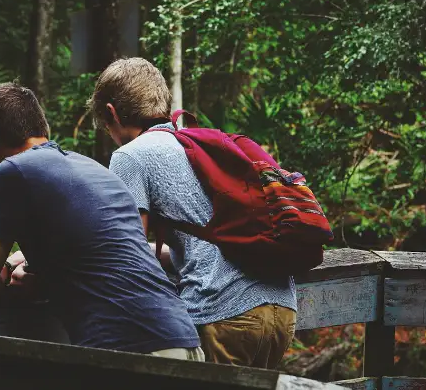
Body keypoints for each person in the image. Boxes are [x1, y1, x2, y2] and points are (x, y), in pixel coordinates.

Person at [0, 82, 203, 360]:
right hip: (183, 338)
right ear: (43, 129)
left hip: (130, 347)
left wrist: (5, 273)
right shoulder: (93, 169)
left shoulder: (12, 171)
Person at [87, 57, 297, 368]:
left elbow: (126, 253)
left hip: (223, 312)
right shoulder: (197, 145)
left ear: (112, 113)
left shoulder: (129, 156)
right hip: (282, 309)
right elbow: (205, 243)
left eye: (106, 126)